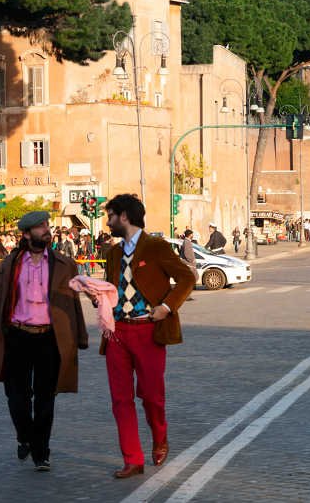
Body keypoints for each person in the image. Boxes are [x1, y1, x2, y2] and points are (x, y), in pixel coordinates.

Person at [0, 211, 89, 472]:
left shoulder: (64, 264)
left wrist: (80, 335)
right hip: (16, 335)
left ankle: (41, 452)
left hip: (49, 337)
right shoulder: (10, 263)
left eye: (47, 226)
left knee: (45, 398)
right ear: (26, 235)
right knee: (16, 396)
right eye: (40, 227)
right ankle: (24, 435)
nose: (46, 230)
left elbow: (74, 303)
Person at [103, 194, 196, 479]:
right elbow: (110, 289)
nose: (108, 222)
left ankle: (160, 437)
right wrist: (98, 297)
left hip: (148, 331)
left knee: (152, 396)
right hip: (117, 332)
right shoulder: (113, 254)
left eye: (111, 216)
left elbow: (187, 278)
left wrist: (167, 307)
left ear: (125, 217)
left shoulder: (157, 247)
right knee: (120, 399)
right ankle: (132, 458)